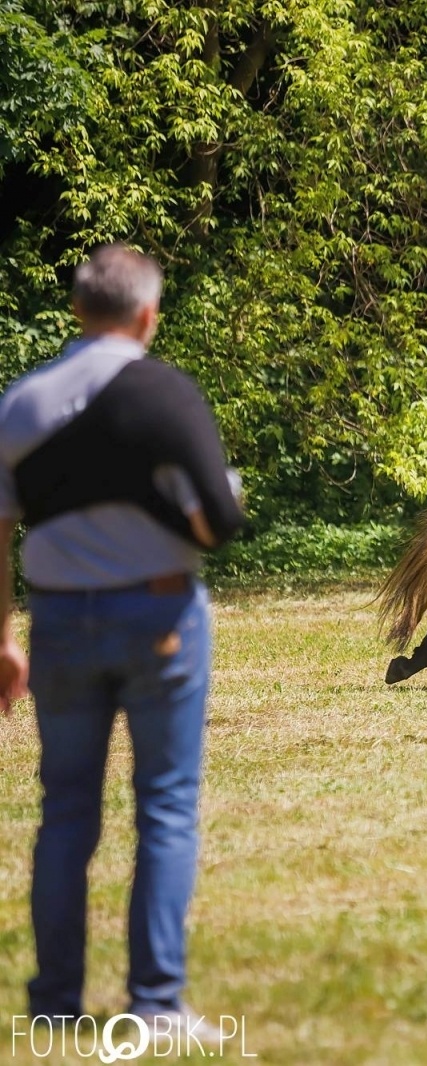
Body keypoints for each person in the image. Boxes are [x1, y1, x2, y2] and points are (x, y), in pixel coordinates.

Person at [0, 243, 246, 1034]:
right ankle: (155, 1003)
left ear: (77, 309)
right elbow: (221, 522)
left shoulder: (21, 402)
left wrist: (4, 637)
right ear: (148, 314)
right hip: (159, 617)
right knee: (165, 807)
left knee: (65, 811)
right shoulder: (167, 394)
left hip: (60, 621)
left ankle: (56, 1005)